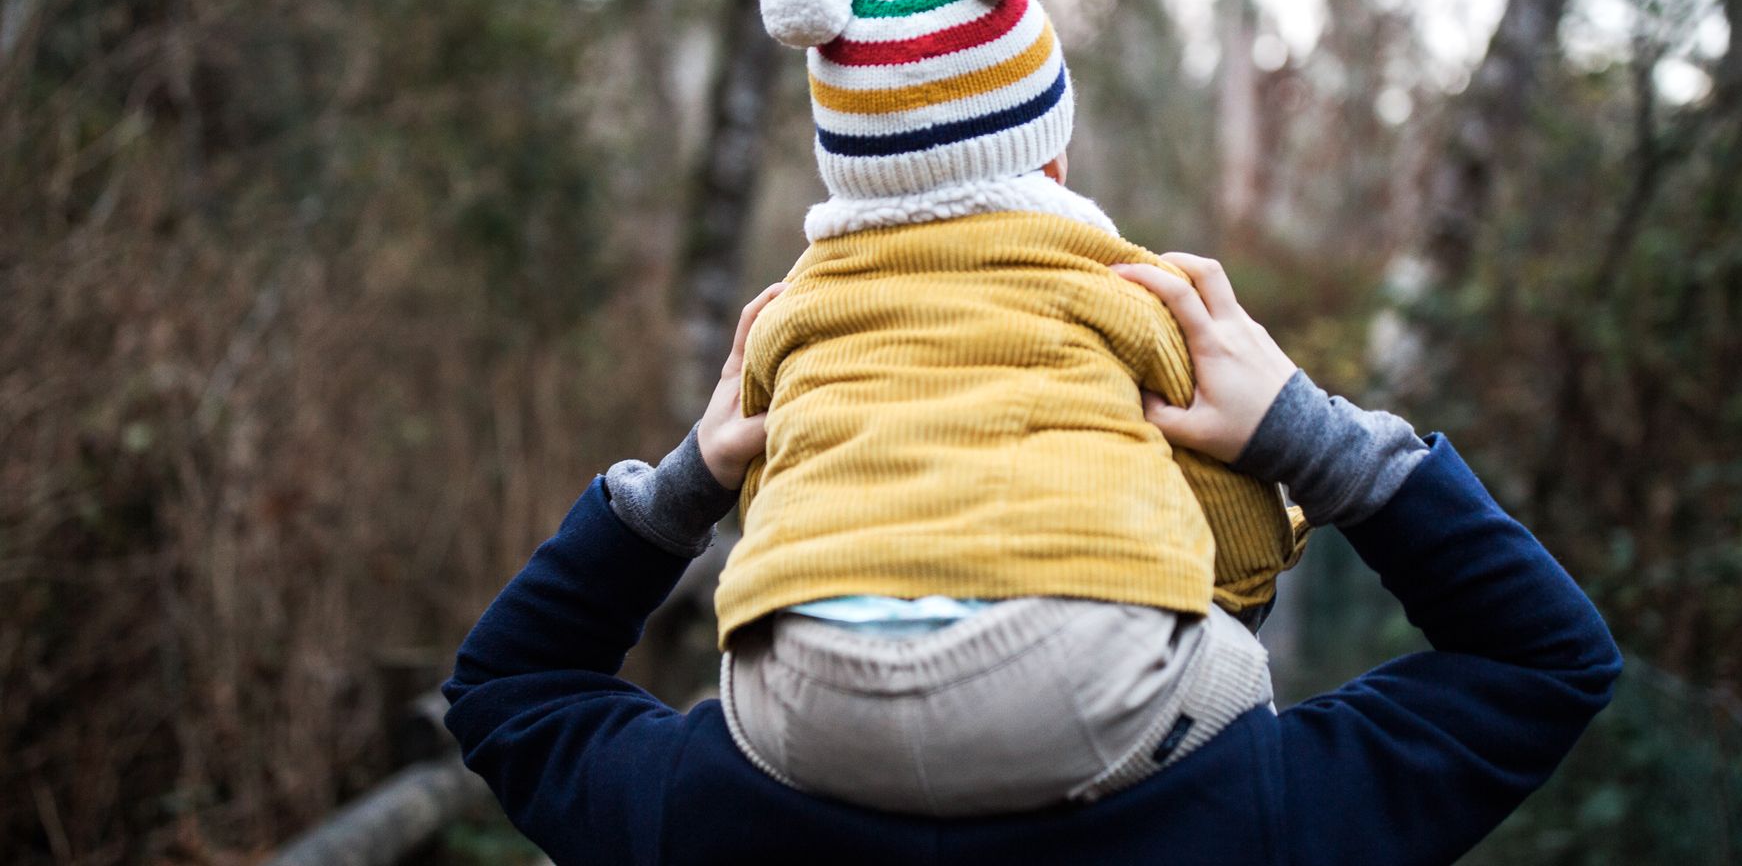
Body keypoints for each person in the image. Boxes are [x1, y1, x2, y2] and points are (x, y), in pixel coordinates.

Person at [442, 253, 1624, 865]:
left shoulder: (696, 814)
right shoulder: (1248, 819)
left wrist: (694, 472)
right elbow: (1544, 662)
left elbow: (506, 687)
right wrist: (1308, 436)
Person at [601, 0, 1314, 815]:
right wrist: (1243, 587)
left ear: (844, 169)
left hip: (802, 694)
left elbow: (767, 483)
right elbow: (1221, 490)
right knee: (1231, 673)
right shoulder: (1125, 285)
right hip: (1072, 674)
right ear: (1049, 159)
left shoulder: (795, 308)